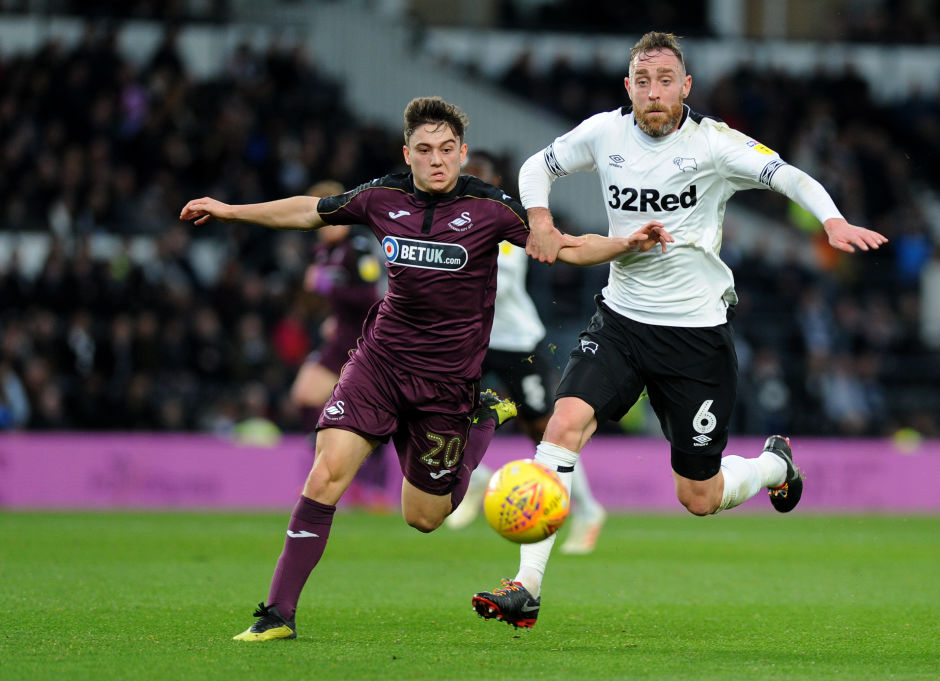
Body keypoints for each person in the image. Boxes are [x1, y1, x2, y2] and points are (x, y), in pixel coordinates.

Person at [180, 96, 672, 641]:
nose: (436, 160)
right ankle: (277, 614)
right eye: (424, 150)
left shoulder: (492, 209)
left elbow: (563, 246)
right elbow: (307, 211)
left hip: (446, 385)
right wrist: (229, 210)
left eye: (445, 150)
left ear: (462, 154)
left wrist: (624, 245)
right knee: (326, 473)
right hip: (380, 364)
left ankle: (482, 420)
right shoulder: (380, 197)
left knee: (423, 516)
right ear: (407, 154)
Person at [472, 32, 888, 630]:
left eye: (666, 79)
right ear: (628, 88)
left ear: (686, 86)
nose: (654, 92)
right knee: (563, 424)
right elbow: (538, 165)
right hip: (620, 319)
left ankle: (774, 465)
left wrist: (832, 219)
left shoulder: (714, 144)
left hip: (695, 337)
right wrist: (539, 218)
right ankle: (527, 587)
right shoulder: (603, 133)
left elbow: (789, 176)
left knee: (698, 496)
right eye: (643, 81)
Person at [445, 150, 606, 554]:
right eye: (468, 177)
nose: (473, 186)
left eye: (480, 178)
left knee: (545, 430)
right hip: (473, 344)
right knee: (446, 414)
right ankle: (475, 481)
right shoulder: (449, 222)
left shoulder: (508, 224)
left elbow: (497, 279)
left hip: (517, 342)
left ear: (495, 182)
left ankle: (588, 510)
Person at [290, 179, 391, 509]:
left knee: (371, 414)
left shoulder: (359, 246)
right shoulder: (322, 249)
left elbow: (370, 296)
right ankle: (331, 473)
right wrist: (330, 314)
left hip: (364, 336)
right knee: (306, 394)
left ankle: (366, 484)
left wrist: (325, 287)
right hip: (342, 333)